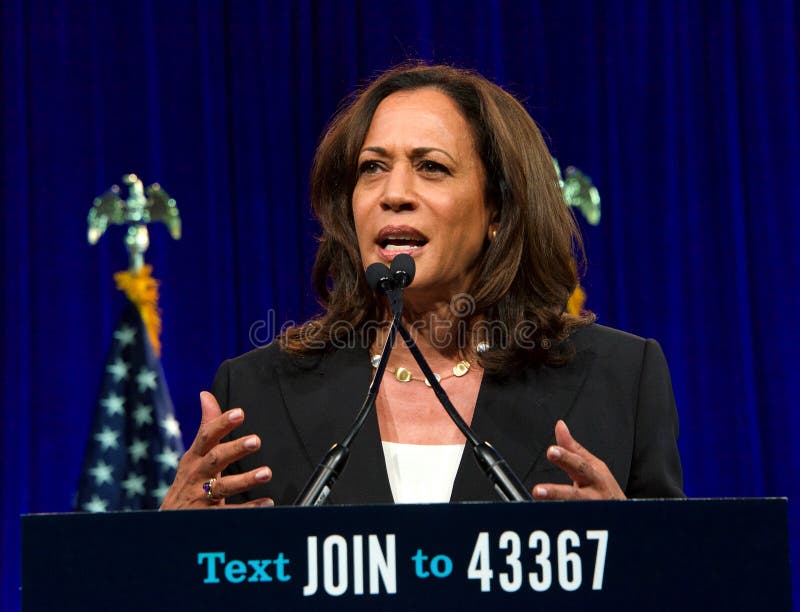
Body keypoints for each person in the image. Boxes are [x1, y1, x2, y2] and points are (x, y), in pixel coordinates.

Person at [161, 63, 683, 510]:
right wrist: (170, 541)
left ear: (497, 209)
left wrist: (633, 549)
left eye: (431, 167)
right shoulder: (256, 393)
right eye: (372, 168)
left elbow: (685, 598)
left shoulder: (618, 380)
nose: (394, 194)